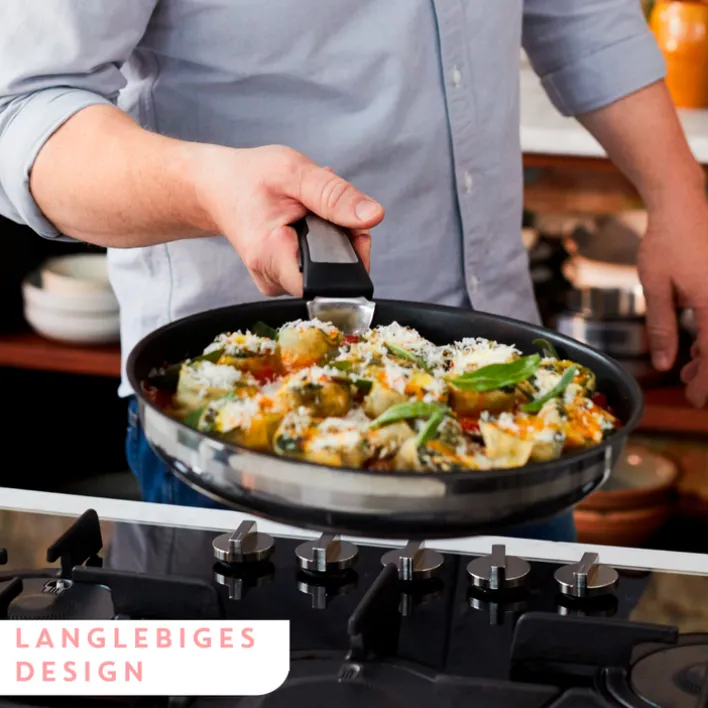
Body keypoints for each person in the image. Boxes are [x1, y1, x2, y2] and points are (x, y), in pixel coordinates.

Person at [1, 1, 706, 542]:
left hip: (514, 430)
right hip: (253, 444)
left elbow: (578, 10)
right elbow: (21, 112)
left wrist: (680, 196)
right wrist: (210, 190)